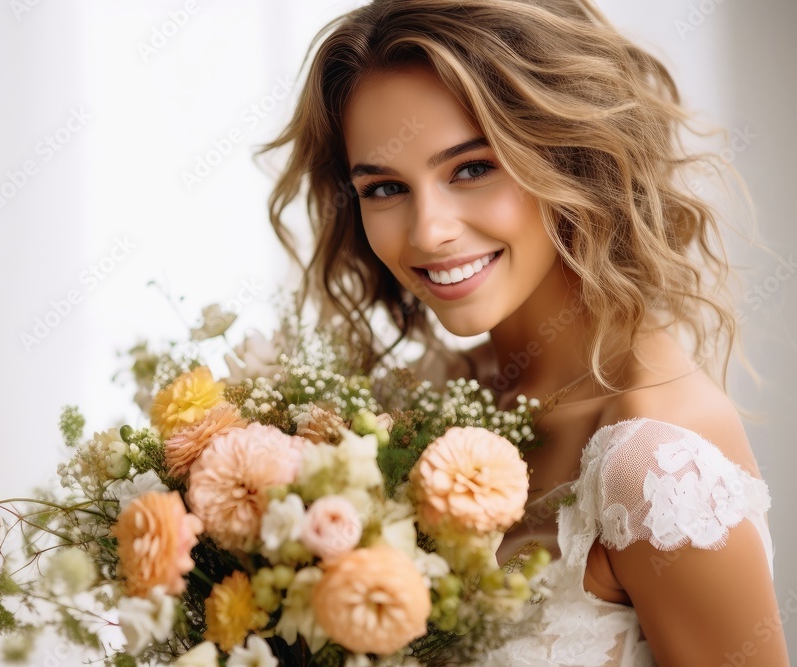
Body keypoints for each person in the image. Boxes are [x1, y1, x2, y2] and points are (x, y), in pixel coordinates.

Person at [257, 0, 790, 665]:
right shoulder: (415, 406)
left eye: (472, 168)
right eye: (386, 187)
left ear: (572, 155)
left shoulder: (653, 462)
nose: (429, 231)